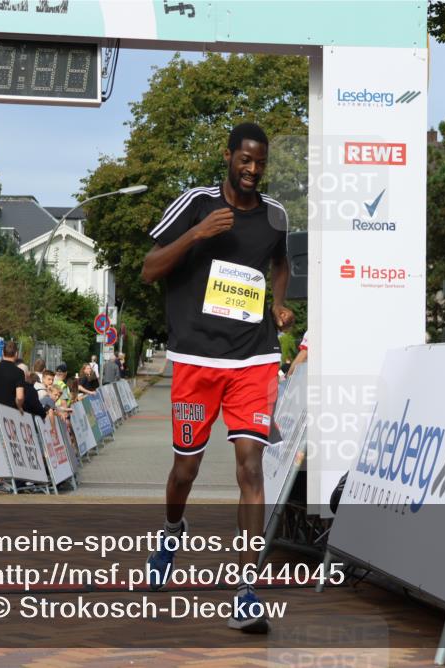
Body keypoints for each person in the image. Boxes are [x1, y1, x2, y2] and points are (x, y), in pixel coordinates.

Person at [140, 122, 293, 633]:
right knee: (186, 471)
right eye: (244, 160)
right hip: (197, 360)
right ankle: (172, 529)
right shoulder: (195, 205)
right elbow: (149, 269)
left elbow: (280, 264)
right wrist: (198, 234)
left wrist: (277, 301)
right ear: (228, 156)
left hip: (254, 358)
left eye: (260, 163)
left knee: (250, 469)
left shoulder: (275, 216)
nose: (252, 170)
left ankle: (247, 591)